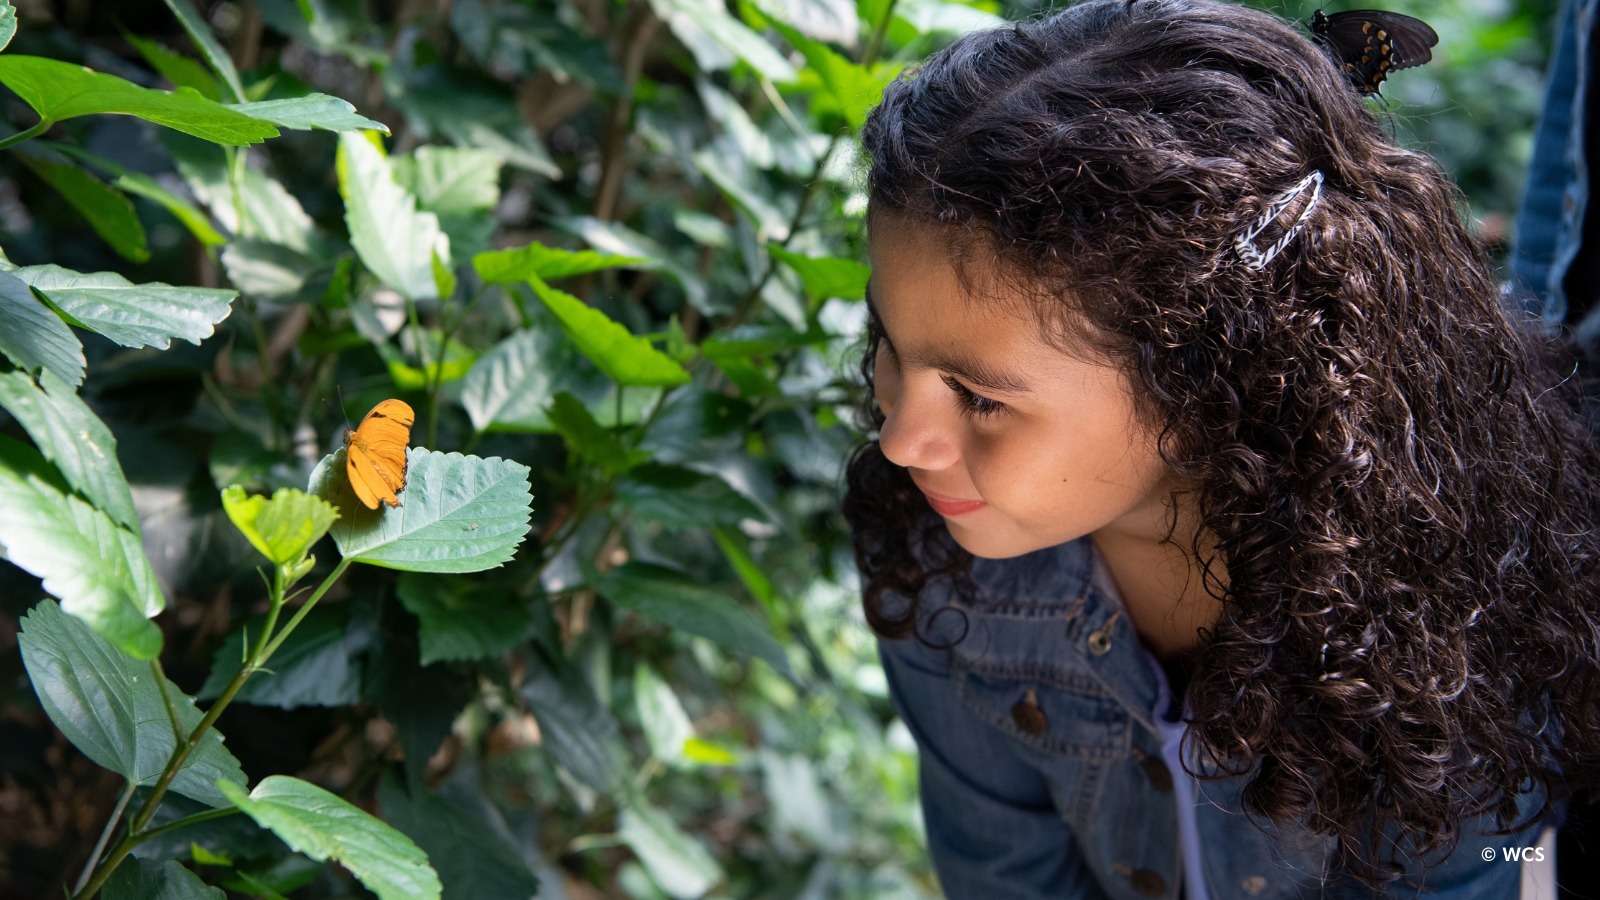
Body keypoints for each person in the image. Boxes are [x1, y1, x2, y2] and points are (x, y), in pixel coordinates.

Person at [842, 1, 1600, 897]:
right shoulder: (943, 567)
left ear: (1207, 373)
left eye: (978, 397)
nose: (900, 441)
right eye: (891, 347)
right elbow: (1004, 874)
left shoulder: (1444, 595)